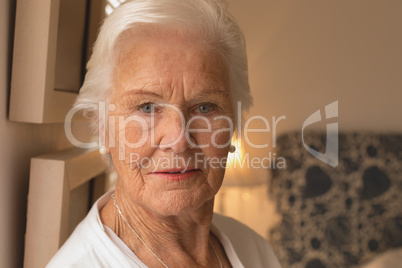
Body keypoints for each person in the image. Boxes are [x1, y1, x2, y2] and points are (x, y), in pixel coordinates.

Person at [48, 0, 281, 267]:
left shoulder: (255, 250)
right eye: (146, 107)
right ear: (104, 128)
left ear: (233, 124)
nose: (179, 140)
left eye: (204, 107)